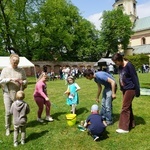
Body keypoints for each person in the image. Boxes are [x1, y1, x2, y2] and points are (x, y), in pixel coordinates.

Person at [112, 53, 140, 133]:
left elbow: (135, 78)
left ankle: (124, 128)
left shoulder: (129, 66)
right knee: (128, 106)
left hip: (131, 88)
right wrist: (121, 87)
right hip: (125, 89)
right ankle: (131, 124)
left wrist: (137, 90)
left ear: (120, 59)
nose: (115, 63)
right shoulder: (120, 67)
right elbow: (121, 77)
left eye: (116, 61)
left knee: (125, 107)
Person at [0, 54, 27, 136]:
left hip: (18, 94)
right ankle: (7, 128)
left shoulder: (21, 70)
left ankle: (18, 126)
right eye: (14, 62)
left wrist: (23, 82)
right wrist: (11, 79)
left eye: (17, 62)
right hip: (7, 93)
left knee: (18, 112)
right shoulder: (5, 70)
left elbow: (26, 80)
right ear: (10, 60)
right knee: (8, 112)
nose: (16, 63)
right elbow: (1, 81)